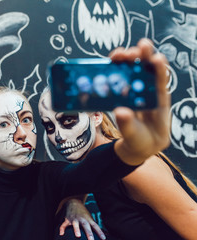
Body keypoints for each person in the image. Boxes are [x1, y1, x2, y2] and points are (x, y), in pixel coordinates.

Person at [0, 39, 171, 240]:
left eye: (27, 119)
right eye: (3, 124)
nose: (21, 133)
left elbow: (91, 170)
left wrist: (133, 148)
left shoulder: (49, 177)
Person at [38, 39, 197, 240]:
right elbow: (83, 178)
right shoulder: (93, 171)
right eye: (49, 127)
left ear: (96, 117)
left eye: (68, 120)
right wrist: (74, 203)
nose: (58, 136)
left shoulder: (135, 169)